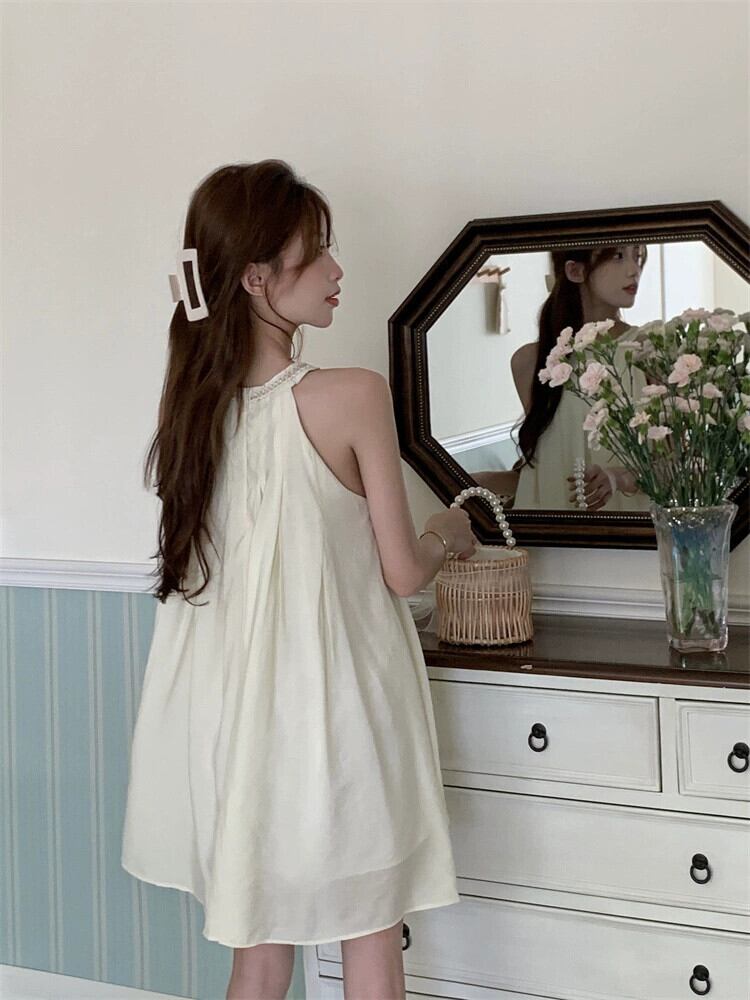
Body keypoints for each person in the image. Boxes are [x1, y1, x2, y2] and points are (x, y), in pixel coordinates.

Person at [120, 159, 476, 1000]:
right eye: (315, 254)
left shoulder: (193, 411)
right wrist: (448, 534)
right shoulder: (353, 395)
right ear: (255, 277)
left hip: (232, 720)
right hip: (339, 710)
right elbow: (402, 572)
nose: (336, 269)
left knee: (257, 947)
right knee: (370, 931)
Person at [510, 244, 651, 511]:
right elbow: (542, 471)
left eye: (638, 256)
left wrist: (620, 478)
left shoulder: (647, 350)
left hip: (632, 529)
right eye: (618, 256)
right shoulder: (529, 363)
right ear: (575, 270)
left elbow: (675, 462)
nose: (634, 270)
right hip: (552, 531)